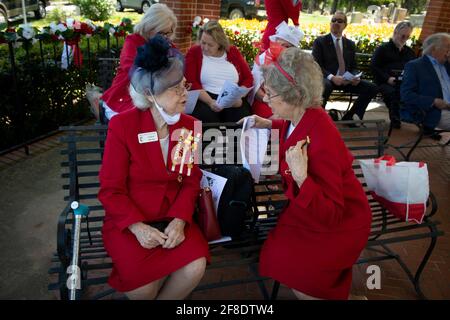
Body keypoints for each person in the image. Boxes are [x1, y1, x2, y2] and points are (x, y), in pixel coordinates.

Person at [239, 47, 372, 299]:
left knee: (297, 274)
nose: (265, 99)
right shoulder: (304, 115)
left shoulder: (322, 139)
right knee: (279, 254)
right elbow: (293, 127)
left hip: (340, 224)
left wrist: (301, 177)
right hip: (308, 210)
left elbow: (332, 215)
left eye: (271, 93)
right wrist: (269, 122)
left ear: (295, 96)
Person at [98, 35, 209, 300]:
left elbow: (190, 180)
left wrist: (181, 220)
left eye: (184, 86)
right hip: (131, 223)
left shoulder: (188, 126)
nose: (185, 94)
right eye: (175, 89)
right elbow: (111, 189)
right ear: (150, 94)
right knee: (143, 288)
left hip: (172, 219)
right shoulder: (123, 126)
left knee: (195, 266)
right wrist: (136, 226)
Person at [100, 3, 177, 121]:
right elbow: (134, 71)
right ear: (149, 27)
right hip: (126, 95)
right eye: (161, 33)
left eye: (169, 33)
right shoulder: (133, 41)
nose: (165, 37)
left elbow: (177, 68)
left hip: (157, 97)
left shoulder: (169, 45)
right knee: (143, 122)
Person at [312, 11, 378, 122]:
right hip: (328, 79)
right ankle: (320, 119)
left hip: (346, 80)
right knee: (325, 85)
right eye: (333, 20)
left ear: (345, 25)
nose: (336, 23)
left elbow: (354, 66)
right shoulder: (320, 41)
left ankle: (351, 116)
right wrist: (332, 77)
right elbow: (316, 65)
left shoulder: (350, 44)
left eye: (339, 21)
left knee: (372, 88)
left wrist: (355, 76)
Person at [185, 20, 253, 123]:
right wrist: (210, 102)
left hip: (232, 98)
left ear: (220, 43)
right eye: (203, 43)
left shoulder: (232, 52)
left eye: (210, 45)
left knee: (241, 120)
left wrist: (238, 96)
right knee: (207, 120)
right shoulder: (194, 52)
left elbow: (248, 78)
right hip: (205, 97)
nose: (205, 48)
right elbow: (191, 81)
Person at [250, 21, 304, 119]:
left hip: (289, 102)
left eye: (287, 46)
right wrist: (273, 102)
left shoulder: (298, 62)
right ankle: (274, 133)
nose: (282, 48)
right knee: (276, 120)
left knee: (296, 116)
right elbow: (256, 90)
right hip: (265, 101)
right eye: (280, 44)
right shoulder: (263, 59)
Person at [400, 32, 450, 134]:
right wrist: (433, 101)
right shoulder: (415, 66)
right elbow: (406, 95)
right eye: (448, 47)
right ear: (434, 49)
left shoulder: (447, 65)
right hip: (435, 111)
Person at [371, 21, 416, 129]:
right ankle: (395, 118)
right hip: (384, 82)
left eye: (407, 37)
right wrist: (387, 79)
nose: (404, 39)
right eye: (403, 35)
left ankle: (413, 117)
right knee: (393, 93)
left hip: (403, 83)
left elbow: (414, 69)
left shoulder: (409, 52)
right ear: (395, 32)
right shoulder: (383, 49)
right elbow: (374, 67)